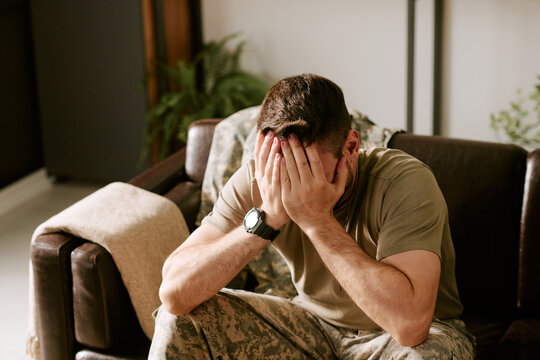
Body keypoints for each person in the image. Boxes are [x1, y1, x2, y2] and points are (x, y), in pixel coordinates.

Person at [149, 74, 476, 359]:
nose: (297, 187)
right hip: (311, 327)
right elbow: (174, 293)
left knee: (435, 354)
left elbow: (409, 326)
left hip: (396, 340)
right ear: (264, 152)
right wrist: (265, 219)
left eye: (311, 172)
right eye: (285, 172)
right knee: (178, 318)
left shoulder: (404, 181)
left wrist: (316, 221)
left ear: (351, 147)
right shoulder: (258, 179)